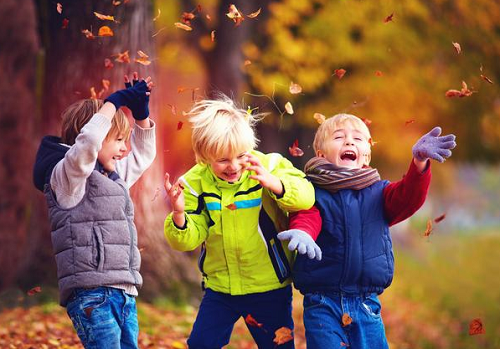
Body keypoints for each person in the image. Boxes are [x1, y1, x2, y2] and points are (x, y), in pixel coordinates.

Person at [277, 113, 456, 349]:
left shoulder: (379, 193)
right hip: (322, 301)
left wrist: (419, 163)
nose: (349, 142)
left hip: (366, 302)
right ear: (321, 154)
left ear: (366, 156)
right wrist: (302, 232)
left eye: (358, 139)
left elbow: (408, 198)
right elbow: (307, 216)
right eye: (339, 137)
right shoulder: (312, 190)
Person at [163, 95, 319, 349]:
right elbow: (186, 240)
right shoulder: (194, 183)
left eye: (240, 156)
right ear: (204, 156)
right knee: (201, 344)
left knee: (277, 345)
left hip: (268, 286)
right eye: (223, 160)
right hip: (221, 288)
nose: (233, 166)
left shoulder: (269, 165)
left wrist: (275, 184)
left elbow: (305, 196)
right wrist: (179, 215)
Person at [32, 73, 156, 349]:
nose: (125, 148)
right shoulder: (66, 178)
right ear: (95, 135)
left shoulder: (110, 175)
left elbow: (143, 156)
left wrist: (141, 116)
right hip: (91, 294)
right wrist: (111, 104)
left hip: (123, 291)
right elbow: (87, 146)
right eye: (119, 140)